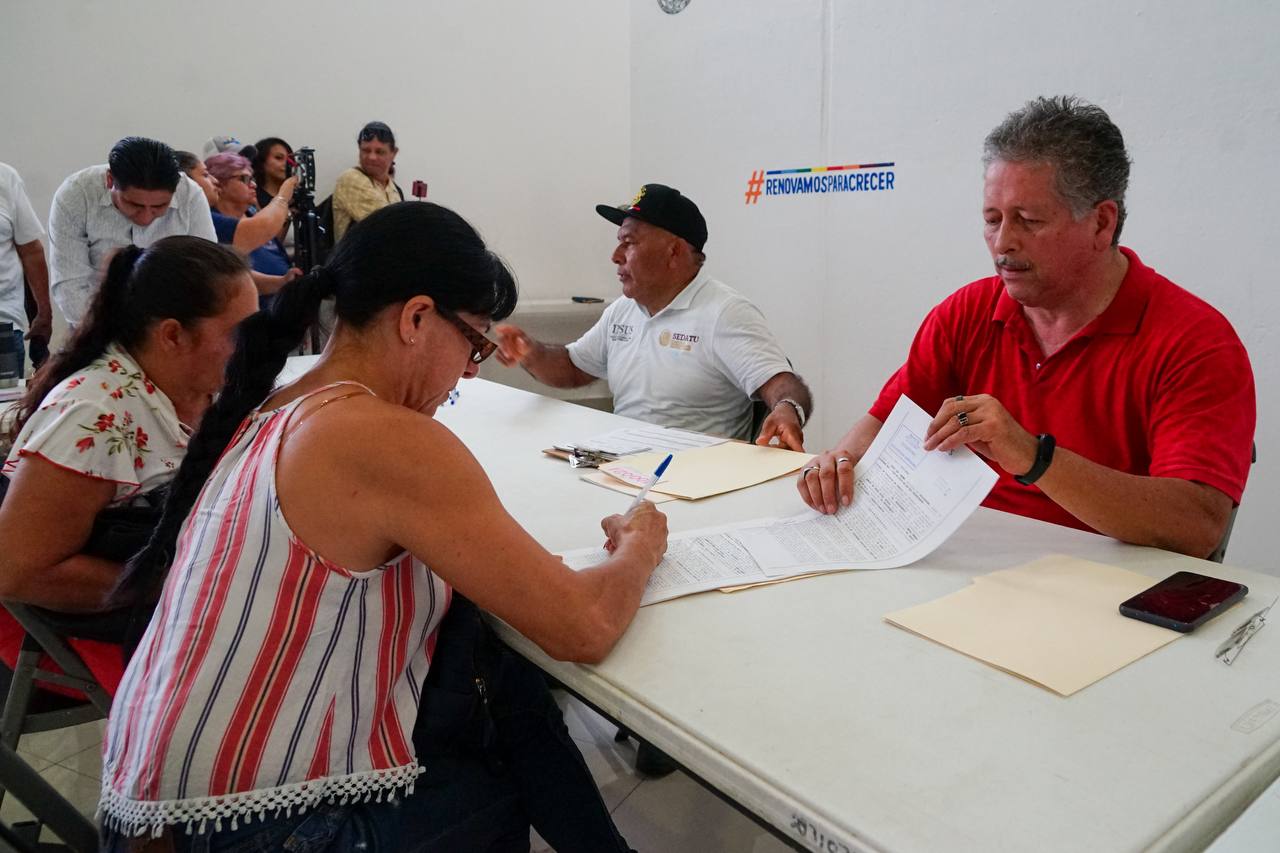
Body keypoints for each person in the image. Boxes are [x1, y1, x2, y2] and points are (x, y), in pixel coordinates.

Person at [99, 202, 666, 850]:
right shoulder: (380, 435)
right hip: (250, 825)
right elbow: (584, 626)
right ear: (418, 317)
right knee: (500, 769)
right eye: (474, 343)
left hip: (148, 808)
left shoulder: (278, 402)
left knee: (496, 673)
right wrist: (641, 544)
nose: (470, 371)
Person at [799, 96, 1255, 559]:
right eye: (991, 219)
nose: (1002, 243)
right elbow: (885, 421)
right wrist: (842, 462)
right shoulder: (967, 313)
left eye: (1028, 221)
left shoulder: (1195, 341)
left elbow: (1199, 526)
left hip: (1106, 590)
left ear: (1102, 223)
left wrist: (1034, 457)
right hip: (968, 566)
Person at [0, 237, 257, 695]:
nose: (254, 345)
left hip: (168, 602)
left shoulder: (206, 388)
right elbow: (19, 570)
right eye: (239, 333)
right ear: (173, 334)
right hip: (87, 625)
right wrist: (187, 580)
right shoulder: (94, 414)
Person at [496, 183, 813, 449]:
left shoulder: (724, 313)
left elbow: (784, 384)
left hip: (694, 482)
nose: (615, 256)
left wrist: (788, 410)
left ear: (674, 252)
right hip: (620, 467)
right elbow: (572, 368)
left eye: (628, 243)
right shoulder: (623, 311)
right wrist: (531, 351)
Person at [48, 137, 217, 327]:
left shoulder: (190, 195)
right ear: (110, 180)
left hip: (169, 326)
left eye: (159, 206)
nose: (145, 218)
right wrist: (114, 338)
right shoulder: (76, 194)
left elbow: (204, 275)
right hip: (93, 326)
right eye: (134, 204)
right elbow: (70, 287)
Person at [205, 151, 300, 305]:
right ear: (219, 184)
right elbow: (234, 276)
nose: (253, 184)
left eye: (253, 178)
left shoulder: (251, 213)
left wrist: (283, 281)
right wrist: (283, 196)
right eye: (244, 179)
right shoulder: (212, 221)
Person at [0, 162, 51, 369]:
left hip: (4, 325)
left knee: (6, 401)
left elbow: (30, 251)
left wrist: (43, 313)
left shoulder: (5, 177)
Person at [332, 120, 403, 241]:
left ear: (394, 153)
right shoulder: (351, 179)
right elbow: (390, 227)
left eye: (380, 152)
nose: (372, 157)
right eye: (366, 150)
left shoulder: (393, 188)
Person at [251, 136, 293, 211]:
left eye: (289, 160)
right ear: (261, 162)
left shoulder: (297, 198)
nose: (286, 164)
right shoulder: (252, 195)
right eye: (279, 158)